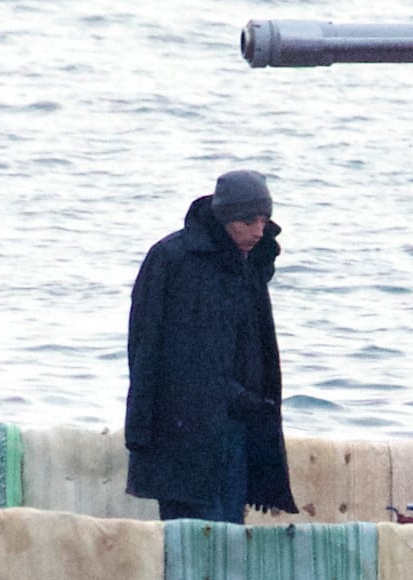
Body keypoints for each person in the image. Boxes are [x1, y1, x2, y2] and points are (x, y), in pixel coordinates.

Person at [125, 168, 299, 524]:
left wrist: (249, 403)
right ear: (224, 217)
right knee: (192, 542)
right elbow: (150, 348)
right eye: (248, 221)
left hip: (235, 427)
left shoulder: (248, 262)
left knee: (228, 541)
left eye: (264, 220)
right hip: (181, 432)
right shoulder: (172, 259)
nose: (258, 231)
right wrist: (142, 431)